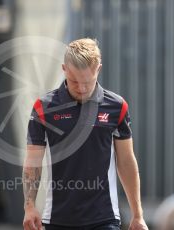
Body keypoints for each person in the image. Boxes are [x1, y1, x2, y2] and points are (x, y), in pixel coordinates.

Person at [23, 38, 148, 230]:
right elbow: (33, 160)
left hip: (104, 219)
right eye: (74, 81)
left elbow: (126, 161)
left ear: (98, 69)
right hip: (57, 218)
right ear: (64, 69)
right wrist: (29, 206)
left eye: (87, 82)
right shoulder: (44, 107)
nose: (81, 89)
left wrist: (137, 214)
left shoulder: (117, 106)